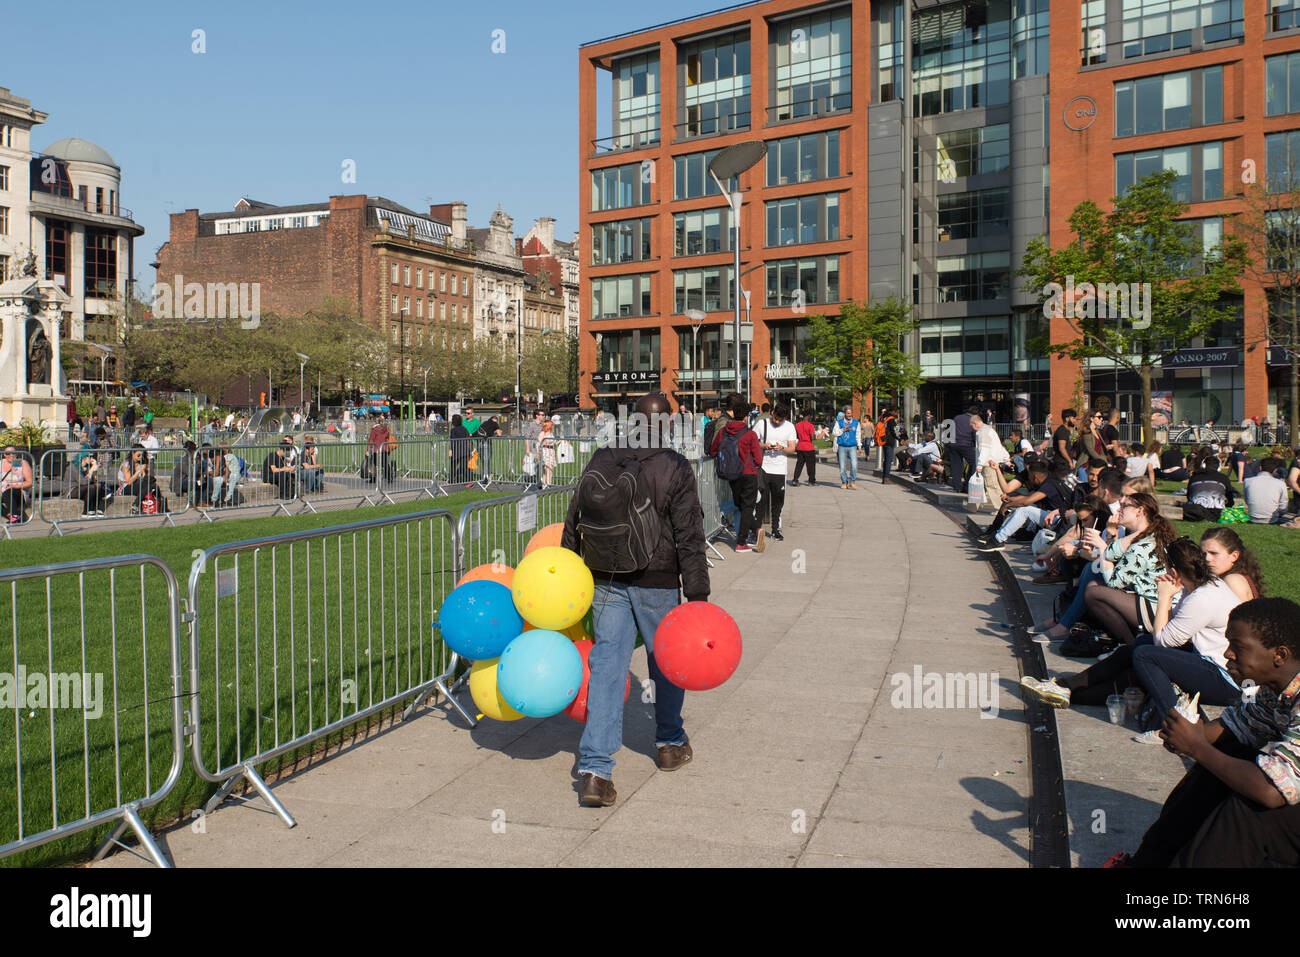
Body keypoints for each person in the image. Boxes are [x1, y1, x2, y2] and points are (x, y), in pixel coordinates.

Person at [561, 392, 710, 808]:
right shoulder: (674, 466)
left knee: (607, 665)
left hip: (604, 575)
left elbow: (575, 518)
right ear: (668, 425)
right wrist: (698, 596)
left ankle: (595, 770)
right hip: (657, 580)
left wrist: (570, 574)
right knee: (666, 664)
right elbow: (689, 535)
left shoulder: (604, 457)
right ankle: (669, 742)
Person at [1110, 598, 1300, 867]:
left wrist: (1197, 747)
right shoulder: (1274, 689)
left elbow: (1272, 790)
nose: (1227, 654)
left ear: (1279, 655)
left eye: (1238, 647)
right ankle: (1148, 862)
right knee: (1225, 759)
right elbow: (1235, 727)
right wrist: (1186, 734)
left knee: (1250, 808)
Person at [1020, 538, 1241, 733]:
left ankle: (1171, 720)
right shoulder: (1202, 588)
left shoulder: (1202, 598)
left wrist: (1164, 597)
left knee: (1146, 655)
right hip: (1209, 662)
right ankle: (1066, 689)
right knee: (1138, 647)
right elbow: (1171, 628)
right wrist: (1172, 596)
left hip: (1225, 680)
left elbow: (1163, 642)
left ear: (1174, 572)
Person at [1081, 492, 1175, 646]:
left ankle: (1129, 646)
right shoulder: (1149, 533)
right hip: (1162, 602)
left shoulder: (1141, 545)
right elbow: (1115, 556)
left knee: (1092, 592)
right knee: (1093, 583)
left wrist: (1100, 545)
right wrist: (1110, 536)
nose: (1118, 510)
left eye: (1124, 506)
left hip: (1158, 609)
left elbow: (1114, 582)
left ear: (1140, 511)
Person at [977, 459, 1072, 551]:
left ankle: (998, 540)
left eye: (1030, 476)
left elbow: (1026, 501)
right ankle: (1000, 534)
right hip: (1058, 518)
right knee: (1028, 507)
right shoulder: (1050, 481)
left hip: (1061, 521)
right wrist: (1010, 500)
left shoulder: (1049, 485)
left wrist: (1007, 505)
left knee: (1024, 510)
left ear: (1035, 476)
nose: (1029, 479)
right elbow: (1028, 497)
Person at [709, 394, 764, 552]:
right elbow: (758, 459)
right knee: (747, 507)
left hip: (732, 474)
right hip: (748, 474)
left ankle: (756, 529)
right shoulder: (750, 434)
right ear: (746, 417)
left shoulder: (724, 432)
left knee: (740, 504)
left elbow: (713, 449)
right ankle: (741, 542)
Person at [755, 402, 796, 541]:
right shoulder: (762, 424)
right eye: (775, 418)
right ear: (772, 412)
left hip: (780, 469)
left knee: (778, 501)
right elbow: (752, 442)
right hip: (764, 467)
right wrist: (764, 445)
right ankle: (756, 530)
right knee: (760, 500)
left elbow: (792, 448)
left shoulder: (790, 427)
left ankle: (775, 530)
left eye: (780, 420)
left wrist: (781, 448)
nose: (777, 422)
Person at [1182, 446, 1234, 521]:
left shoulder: (1194, 477)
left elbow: (1189, 496)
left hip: (1195, 512)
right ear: (1219, 468)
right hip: (1217, 512)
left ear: (1203, 465)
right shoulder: (1223, 478)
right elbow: (1230, 499)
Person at [974, 413, 1010, 511]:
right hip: (992, 461)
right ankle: (974, 505)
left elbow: (984, 449)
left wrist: (980, 464)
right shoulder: (989, 430)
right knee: (984, 484)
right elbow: (998, 446)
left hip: (988, 462)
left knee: (992, 485)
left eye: (972, 426)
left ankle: (1001, 508)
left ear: (975, 423)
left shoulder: (982, 432)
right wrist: (1006, 458)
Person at [1244, 457, 1289, 524]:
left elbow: (1247, 500)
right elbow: (1283, 505)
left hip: (1253, 517)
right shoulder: (1280, 483)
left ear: (1260, 468)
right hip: (1273, 519)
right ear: (1275, 470)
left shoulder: (1248, 481)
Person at [948, 405, 978, 492]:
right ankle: (967, 485)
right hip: (966, 444)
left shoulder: (957, 418)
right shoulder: (973, 420)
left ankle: (957, 487)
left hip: (953, 444)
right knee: (974, 463)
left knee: (956, 466)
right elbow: (974, 433)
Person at [70, 449, 108, 515]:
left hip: (83, 488)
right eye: (89, 457)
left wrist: (95, 470)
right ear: (83, 458)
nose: (92, 459)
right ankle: (86, 511)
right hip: (72, 489)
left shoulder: (87, 467)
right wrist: (91, 471)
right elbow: (83, 482)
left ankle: (96, 508)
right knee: (91, 488)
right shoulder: (73, 467)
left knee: (97, 485)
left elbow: (95, 480)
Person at [0, 447, 34, 523]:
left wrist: (15, 486)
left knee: (8, 492)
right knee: (5, 492)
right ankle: (14, 516)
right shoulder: (1, 463)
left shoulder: (20, 462)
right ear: (4, 455)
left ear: (17, 453)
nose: (11, 455)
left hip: (18, 491)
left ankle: (15, 516)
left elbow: (30, 482)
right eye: (8, 453)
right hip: (2, 492)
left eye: (13, 453)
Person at [833, 406, 861, 490]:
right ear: (845, 413)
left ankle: (852, 481)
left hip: (852, 446)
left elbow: (858, 435)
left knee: (854, 464)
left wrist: (859, 446)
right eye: (848, 413)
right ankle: (844, 482)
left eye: (850, 413)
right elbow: (834, 433)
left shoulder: (856, 423)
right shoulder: (839, 422)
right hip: (842, 446)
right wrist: (843, 430)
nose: (849, 415)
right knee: (842, 466)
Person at [790, 410, 817, 487]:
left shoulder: (797, 425)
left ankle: (795, 479)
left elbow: (796, 435)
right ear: (808, 416)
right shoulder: (810, 425)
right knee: (810, 465)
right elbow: (812, 437)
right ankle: (811, 481)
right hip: (808, 447)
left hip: (800, 446)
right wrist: (816, 435)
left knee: (799, 464)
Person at [878, 405, 901, 483]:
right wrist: (900, 439)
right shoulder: (891, 419)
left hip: (883, 440)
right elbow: (894, 431)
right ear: (894, 411)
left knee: (886, 460)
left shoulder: (884, 417)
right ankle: (886, 478)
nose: (897, 414)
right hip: (889, 441)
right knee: (888, 460)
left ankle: (884, 477)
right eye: (897, 412)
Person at [449, 414, 471, 484]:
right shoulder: (464, 428)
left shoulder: (453, 430)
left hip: (457, 451)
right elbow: (468, 437)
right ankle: (470, 481)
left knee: (453, 466)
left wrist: (450, 450)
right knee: (465, 467)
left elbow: (453, 441)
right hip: (465, 450)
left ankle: (451, 481)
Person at [539, 419, 558, 488]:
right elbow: (539, 443)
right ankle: (548, 485)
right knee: (547, 469)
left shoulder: (551, 433)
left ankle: (544, 485)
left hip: (551, 451)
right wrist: (539, 454)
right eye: (551, 425)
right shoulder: (542, 433)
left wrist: (560, 441)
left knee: (548, 469)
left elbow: (554, 443)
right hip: (545, 451)